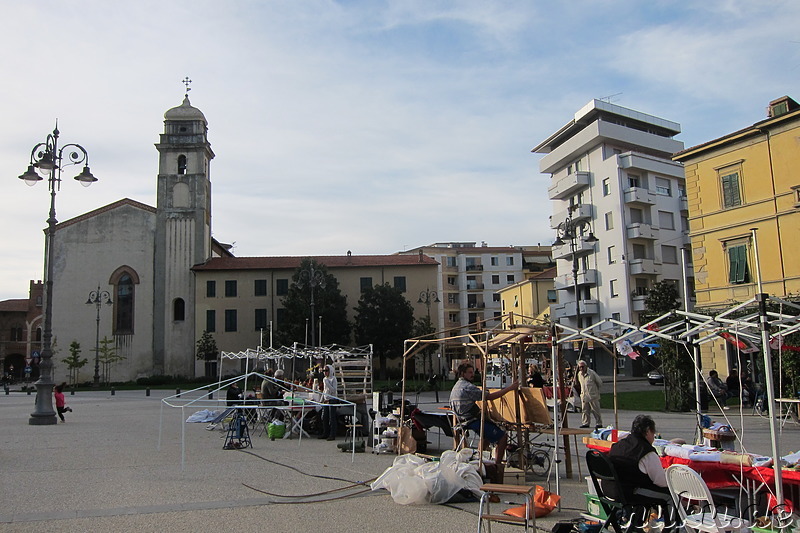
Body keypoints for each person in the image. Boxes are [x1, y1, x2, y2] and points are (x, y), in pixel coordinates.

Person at [449, 362, 519, 466]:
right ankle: (497, 466)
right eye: (470, 372)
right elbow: (489, 397)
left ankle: (480, 459)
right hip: (471, 420)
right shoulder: (467, 386)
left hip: (462, 420)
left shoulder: (456, 386)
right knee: (502, 437)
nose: (473, 374)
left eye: (472, 372)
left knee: (485, 436)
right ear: (463, 374)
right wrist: (510, 388)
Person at [605, 415, 672, 518]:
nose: (653, 437)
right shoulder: (646, 452)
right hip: (628, 492)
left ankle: (637, 522)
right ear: (648, 431)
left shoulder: (619, 444)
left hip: (608, 489)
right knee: (669, 496)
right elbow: (661, 482)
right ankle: (671, 528)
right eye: (653, 433)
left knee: (643, 485)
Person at [576, 360, 603, 428]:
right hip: (584, 396)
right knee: (585, 411)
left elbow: (599, 382)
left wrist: (596, 391)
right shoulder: (579, 374)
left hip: (593, 395)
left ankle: (599, 423)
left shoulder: (592, 373)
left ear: (586, 366)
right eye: (580, 367)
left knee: (596, 410)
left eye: (582, 367)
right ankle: (586, 423)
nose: (581, 369)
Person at [319, 364, 338, 441]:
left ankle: (332, 434)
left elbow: (334, 390)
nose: (325, 372)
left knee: (332, 417)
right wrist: (321, 399)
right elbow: (324, 390)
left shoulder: (333, 379)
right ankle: (325, 432)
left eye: (326, 371)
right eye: (324, 371)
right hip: (326, 399)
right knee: (324, 417)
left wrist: (327, 383)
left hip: (332, 399)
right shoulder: (324, 379)